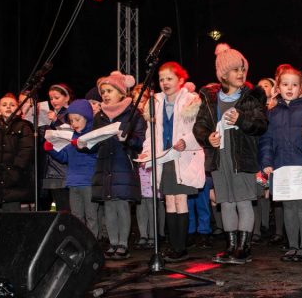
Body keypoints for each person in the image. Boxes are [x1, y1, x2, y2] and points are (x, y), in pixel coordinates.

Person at [194, 43, 268, 265]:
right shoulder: (210, 98)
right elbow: (200, 126)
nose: (241, 73)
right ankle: (231, 246)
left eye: (243, 69)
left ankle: (244, 248)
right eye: (235, 69)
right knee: (225, 202)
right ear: (223, 74)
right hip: (220, 158)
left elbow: (261, 125)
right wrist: (208, 137)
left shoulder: (252, 97)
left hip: (242, 157)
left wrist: (242, 120)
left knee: (243, 202)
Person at [139, 62, 205, 262]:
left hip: (183, 157)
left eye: (169, 78)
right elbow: (151, 133)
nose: (165, 83)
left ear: (180, 80)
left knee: (180, 200)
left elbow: (199, 129)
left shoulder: (191, 101)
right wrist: (147, 151)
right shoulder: (155, 103)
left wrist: (187, 142)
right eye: (161, 79)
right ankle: (173, 245)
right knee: (169, 201)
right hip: (164, 158)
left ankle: (181, 247)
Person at [259, 65, 302, 262]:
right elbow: (266, 139)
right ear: (278, 87)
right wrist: (267, 161)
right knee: (288, 206)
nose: (290, 88)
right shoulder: (272, 112)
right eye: (285, 84)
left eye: (294, 85)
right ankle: (292, 245)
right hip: (281, 165)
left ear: (301, 88)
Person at [85, 71, 146, 260]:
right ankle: (113, 243)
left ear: (121, 92)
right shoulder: (100, 116)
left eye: (109, 91)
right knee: (109, 206)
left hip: (123, 164)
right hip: (105, 165)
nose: (105, 95)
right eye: (103, 92)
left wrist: (127, 139)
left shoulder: (132, 114)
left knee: (122, 205)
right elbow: (95, 142)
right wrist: (86, 143)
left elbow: (140, 141)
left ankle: (123, 244)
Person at [43, 99, 99, 237]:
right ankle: (79, 242)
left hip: (88, 182)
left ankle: (92, 242)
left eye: (77, 120)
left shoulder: (93, 135)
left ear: (87, 117)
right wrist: (51, 150)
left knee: (91, 215)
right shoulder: (71, 136)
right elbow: (65, 157)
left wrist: (81, 145)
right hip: (73, 182)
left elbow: (96, 154)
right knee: (76, 216)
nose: (74, 123)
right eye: (71, 120)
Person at [0, 94, 35, 212]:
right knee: (1, 211)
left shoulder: (23, 126)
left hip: (16, 175)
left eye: (12, 105)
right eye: (4, 105)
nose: (8, 107)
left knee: (13, 209)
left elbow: (27, 150)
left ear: (19, 110)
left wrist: (16, 169)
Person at [41, 84, 72, 212]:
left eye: (57, 98)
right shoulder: (52, 114)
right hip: (51, 166)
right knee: (57, 204)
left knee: (66, 205)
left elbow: (71, 134)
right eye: (51, 98)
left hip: (63, 167)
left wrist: (56, 121)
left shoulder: (71, 113)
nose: (53, 101)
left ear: (67, 98)